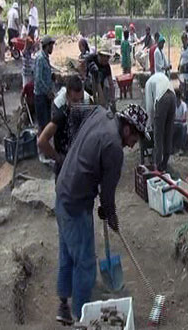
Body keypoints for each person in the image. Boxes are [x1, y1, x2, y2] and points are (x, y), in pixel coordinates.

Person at [54, 103, 149, 324]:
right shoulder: (114, 148)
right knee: (85, 261)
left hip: (63, 187)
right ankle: (80, 317)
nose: (133, 145)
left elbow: (76, 112)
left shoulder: (101, 113)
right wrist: (111, 215)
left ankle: (63, 305)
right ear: (127, 129)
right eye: (135, 138)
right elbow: (108, 195)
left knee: (67, 252)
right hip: (76, 202)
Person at [37, 76, 88, 179]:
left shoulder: (84, 112)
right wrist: (58, 158)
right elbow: (41, 141)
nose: (78, 104)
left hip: (80, 168)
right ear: (67, 97)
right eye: (75, 101)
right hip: (64, 171)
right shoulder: (61, 116)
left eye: (81, 100)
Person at [145, 72, 176, 172]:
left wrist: (148, 126)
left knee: (158, 136)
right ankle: (165, 163)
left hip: (162, 98)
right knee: (168, 132)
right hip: (172, 96)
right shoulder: (158, 77)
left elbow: (149, 108)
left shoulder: (148, 84)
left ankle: (157, 167)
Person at [34, 35, 56, 138]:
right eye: (51, 46)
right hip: (41, 96)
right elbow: (38, 79)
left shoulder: (45, 58)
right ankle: (42, 148)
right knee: (44, 125)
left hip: (45, 96)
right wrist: (48, 92)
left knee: (46, 123)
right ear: (47, 46)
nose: (52, 48)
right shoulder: (40, 58)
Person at [97, 45, 115, 110]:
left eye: (108, 57)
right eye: (106, 57)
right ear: (101, 56)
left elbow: (111, 83)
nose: (107, 59)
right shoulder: (94, 63)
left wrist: (113, 99)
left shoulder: (107, 66)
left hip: (101, 88)